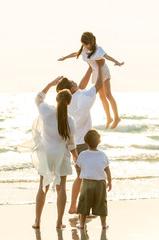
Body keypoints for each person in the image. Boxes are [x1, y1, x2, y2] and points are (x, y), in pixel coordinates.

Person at [56, 59, 105, 214]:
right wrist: (101, 67)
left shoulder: (68, 102)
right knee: (83, 176)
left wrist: (91, 69)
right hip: (84, 145)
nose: (75, 81)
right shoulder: (82, 98)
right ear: (72, 87)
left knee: (80, 176)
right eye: (72, 81)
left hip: (71, 144)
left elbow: (82, 86)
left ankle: (75, 206)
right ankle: (76, 207)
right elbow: (98, 86)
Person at [31, 76, 78, 229]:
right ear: (69, 102)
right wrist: (77, 159)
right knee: (62, 188)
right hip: (61, 155)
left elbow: (38, 98)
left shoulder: (46, 111)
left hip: (46, 154)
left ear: (57, 99)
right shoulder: (70, 120)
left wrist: (50, 84)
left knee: (42, 187)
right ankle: (59, 222)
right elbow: (71, 145)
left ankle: (37, 222)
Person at [58, 31, 124, 129]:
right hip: (95, 73)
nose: (86, 46)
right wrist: (65, 57)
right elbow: (75, 53)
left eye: (87, 44)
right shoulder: (84, 49)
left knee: (108, 95)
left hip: (103, 71)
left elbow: (107, 56)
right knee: (102, 97)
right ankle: (109, 117)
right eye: (84, 45)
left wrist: (117, 62)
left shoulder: (98, 49)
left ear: (92, 41)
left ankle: (117, 117)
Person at [75, 129, 112, 229]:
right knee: (101, 203)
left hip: (87, 183)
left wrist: (82, 167)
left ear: (85, 142)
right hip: (101, 183)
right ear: (99, 141)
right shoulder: (103, 155)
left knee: (84, 203)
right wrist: (110, 181)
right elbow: (107, 169)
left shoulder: (83, 154)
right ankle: (103, 224)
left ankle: (82, 224)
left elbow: (77, 166)